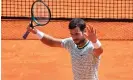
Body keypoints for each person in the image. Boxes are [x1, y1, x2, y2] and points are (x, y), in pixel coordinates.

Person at [27, 18, 103, 80]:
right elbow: (52, 42)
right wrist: (36, 32)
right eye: (72, 34)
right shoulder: (71, 43)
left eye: (77, 34)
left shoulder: (91, 46)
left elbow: (99, 51)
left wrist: (95, 41)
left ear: (84, 32)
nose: (74, 37)